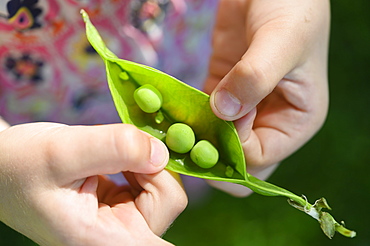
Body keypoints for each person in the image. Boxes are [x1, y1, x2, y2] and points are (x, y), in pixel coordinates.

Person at [0, 0, 330, 245]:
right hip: (40, 91)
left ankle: (196, 185)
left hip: (185, 39)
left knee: (178, 165)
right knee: (134, 159)